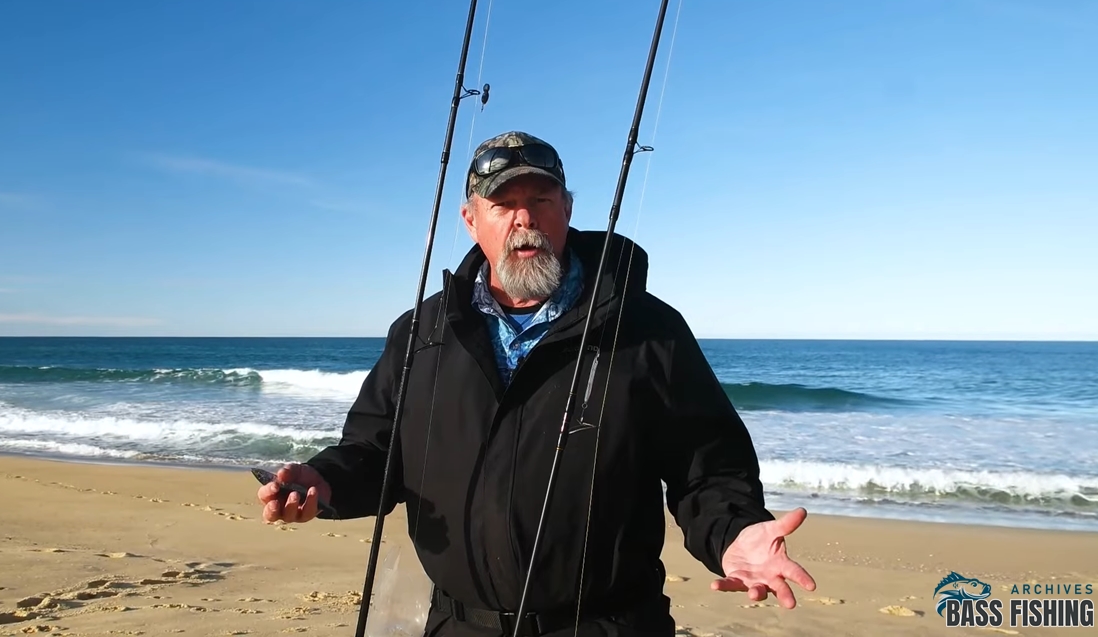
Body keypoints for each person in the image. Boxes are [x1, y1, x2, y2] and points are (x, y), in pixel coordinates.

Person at [258, 131, 815, 636]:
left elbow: (709, 468)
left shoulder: (647, 328)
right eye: (503, 204)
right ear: (471, 220)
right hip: (456, 626)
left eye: (541, 201)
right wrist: (322, 483)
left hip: (607, 626)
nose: (524, 219)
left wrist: (734, 534)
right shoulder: (419, 335)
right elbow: (374, 453)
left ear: (566, 211)